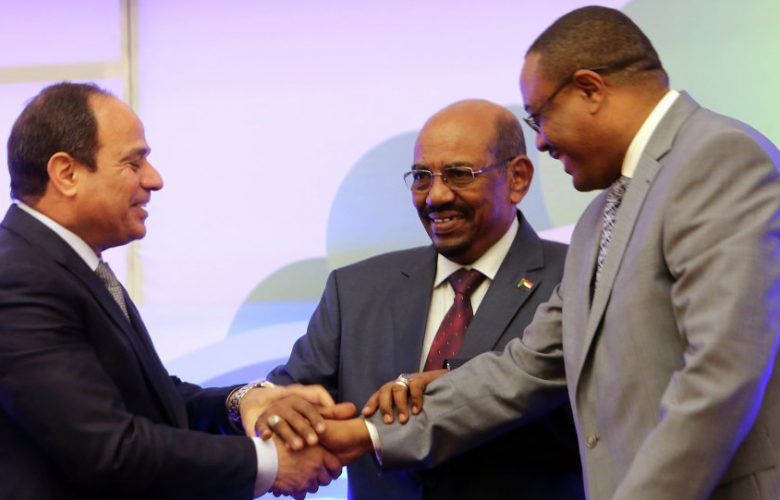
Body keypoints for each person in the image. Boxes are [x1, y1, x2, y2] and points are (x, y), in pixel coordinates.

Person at [315, 6, 780, 500]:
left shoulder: (717, 157)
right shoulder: (600, 217)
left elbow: (722, 370)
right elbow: (528, 364)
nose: (539, 142)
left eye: (539, 117)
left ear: (589, 90)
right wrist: (368, 434)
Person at [0, 82, 344, 500]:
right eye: (134, 162)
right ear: (66, 173)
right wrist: (270, 464)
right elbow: (108, 450)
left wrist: (244, 402)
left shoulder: (65, 266)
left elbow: (154, 400)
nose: (154, 180)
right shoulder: (18, 278)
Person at [263, 99, 584, 499]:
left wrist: (453, 388)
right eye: (421, 177)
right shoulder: (356, 290)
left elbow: (601, 423)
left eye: (459, 175)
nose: (435, 196)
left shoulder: (578, 278)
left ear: (517, 178)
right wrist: (282, 418)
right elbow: (287, 399)